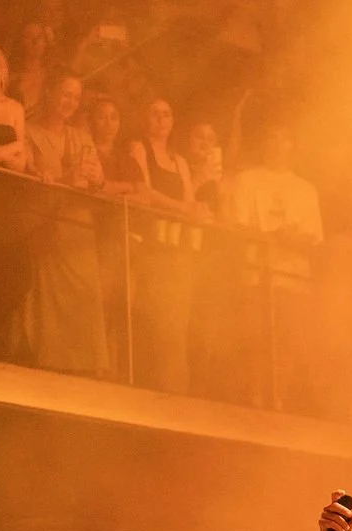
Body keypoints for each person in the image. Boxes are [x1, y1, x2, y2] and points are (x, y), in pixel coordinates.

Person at [13, 68, 109, 376]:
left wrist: (97, 178)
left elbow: (98, 182)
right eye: (65, 94)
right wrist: (63, 179)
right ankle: (46, 366)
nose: (70, 102)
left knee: (85, 296)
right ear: (50, 92)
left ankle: (85, 370)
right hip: (47, 224)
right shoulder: (29, 132)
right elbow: (26, 178)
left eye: (76, 97)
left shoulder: (81, 136)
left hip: (79, 230)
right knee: (48, 300)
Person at [227, 119, 323, 410]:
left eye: (284, 139)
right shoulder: (246, 180)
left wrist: (291, 240)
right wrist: (272, 237)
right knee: (256, 339)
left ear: (292, 145)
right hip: (257, 274)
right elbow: (237, 228)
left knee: (287, 342)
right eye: (272, 137)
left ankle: (279, 398)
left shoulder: (306, 189)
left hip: (293, 277)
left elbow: (315, 241)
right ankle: (255, 396)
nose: (277, 145)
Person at [129, 96, 207, 393]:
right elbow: (145, 191)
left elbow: (189, 199)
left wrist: (197, 209)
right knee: (154, 319)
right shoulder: (139, 148)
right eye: (155, 113)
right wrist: (181, 208)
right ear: (144, 119)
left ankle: (176, 391)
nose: (161, 120)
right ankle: (152, 387)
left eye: (167, 114)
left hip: (178, 247)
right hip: (151, 245)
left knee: (177, 322)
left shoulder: (179, 161)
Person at [0, 40, 27, 172]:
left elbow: (21, 164)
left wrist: (2, 154)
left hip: (4, 181)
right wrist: (14, 147)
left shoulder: (16, 109)